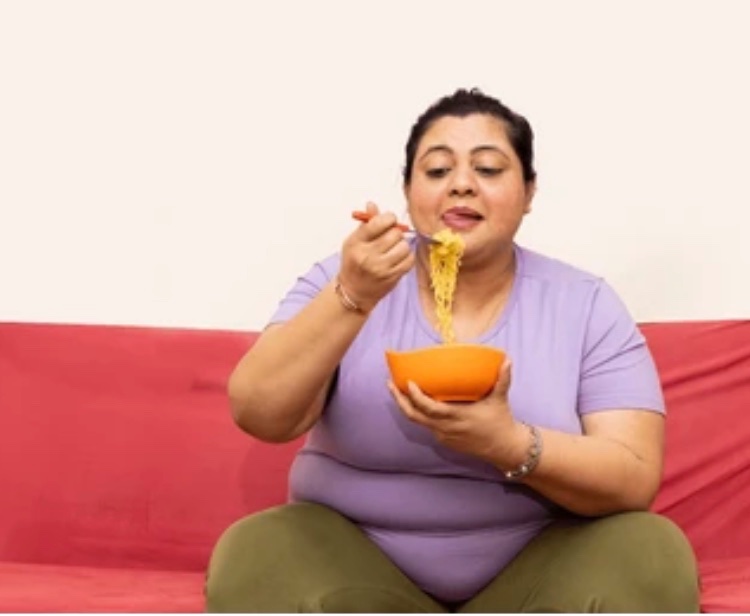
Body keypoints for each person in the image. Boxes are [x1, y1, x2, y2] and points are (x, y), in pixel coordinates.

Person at [205, 88, 700, 612]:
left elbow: (633, 478)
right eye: (438, 170)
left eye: (488, 169)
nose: (461, 184)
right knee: (256, 550)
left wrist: (509, 444)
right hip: (353, 564)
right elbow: (259, 411)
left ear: (529, 192)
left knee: (650, 550)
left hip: (540, 570)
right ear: (408, 191)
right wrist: (353, 297)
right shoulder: (345, 278)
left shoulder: (585, 303)